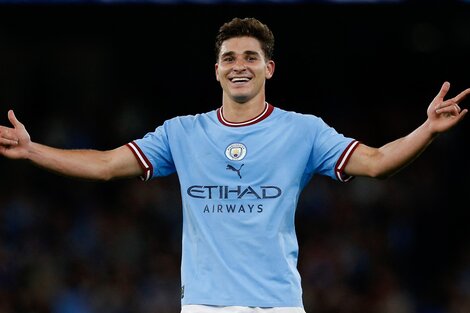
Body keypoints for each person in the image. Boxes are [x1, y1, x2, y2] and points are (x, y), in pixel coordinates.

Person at [0, 17, 468, 313]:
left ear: (269, 69)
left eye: (250, 56)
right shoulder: (181, 133)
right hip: (205, 305)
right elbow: (104, 166)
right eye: (228, 57)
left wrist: (425, 129)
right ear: (217, 70)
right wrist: (32, 149)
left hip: (279, 305)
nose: (238, 64)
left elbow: (379, 163)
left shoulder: (304, 131)